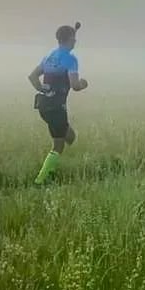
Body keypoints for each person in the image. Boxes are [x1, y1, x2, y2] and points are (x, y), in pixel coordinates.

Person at [28, 22, 88, 185]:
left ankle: (54, 169)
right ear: (70, 39)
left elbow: (32, 76)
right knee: (58, 145)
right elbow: (75, 85)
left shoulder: (49, 56)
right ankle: (42, 179)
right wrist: (84, 83)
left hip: (44, 105)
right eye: (74, 39)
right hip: (57, 107)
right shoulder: (71, 59)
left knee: (70, 137)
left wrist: (43, 88)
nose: (76, 41)